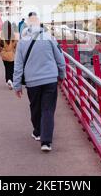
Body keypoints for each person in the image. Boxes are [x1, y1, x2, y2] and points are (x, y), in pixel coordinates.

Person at [12, 12, 66, 152]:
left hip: (32, 81)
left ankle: (38, 132)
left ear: (28, 26)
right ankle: (46, 142)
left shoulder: (22, 42)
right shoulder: (49, 38)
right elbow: (60, 59)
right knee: (48, 109)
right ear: (40, 25)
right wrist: (61, 75)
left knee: (35, 107)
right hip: (50, 79)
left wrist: (17, 85)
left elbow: (18, 66)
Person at [0, 20, 18, 90]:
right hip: (11, 54)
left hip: (4, 54)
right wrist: (13, 51)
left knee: (6, 67)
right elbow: (15, 44)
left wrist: (0, 50)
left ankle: (7, 80)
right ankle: (10, 80)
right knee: (11, 68)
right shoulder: (13, 34)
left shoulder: (0, 34)